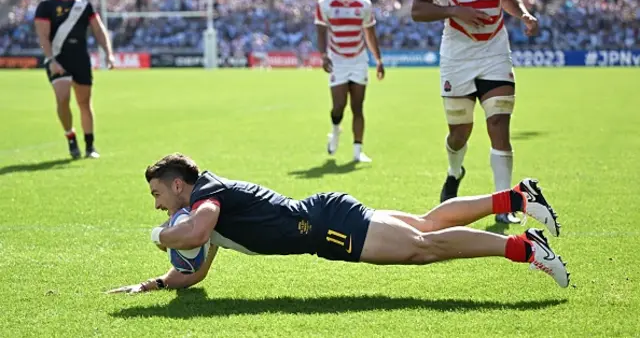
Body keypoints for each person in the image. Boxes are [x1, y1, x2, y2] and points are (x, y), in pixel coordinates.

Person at [107, 153, 568, 294]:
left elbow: (193, 235)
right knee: (426, 227)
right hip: (326, 215)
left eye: (157, 194)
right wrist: (153, 285)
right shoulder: (204, 200)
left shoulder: (203, 202)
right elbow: (196, 269)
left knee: (422, 248)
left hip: (325, 227)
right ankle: (517, 197)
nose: (156, 206)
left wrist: (158, 236)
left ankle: (527, 248)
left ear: (178, 186)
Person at [410, 0, 540, 224]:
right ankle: (455, 171)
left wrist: (523, 14)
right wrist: (455, 10)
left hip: (494, 52)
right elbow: (417, 10)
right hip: (457, 57)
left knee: (498, 124)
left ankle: (503, 204)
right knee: (460, 132)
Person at [34, 0, 115, 159]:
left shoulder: (83, 3)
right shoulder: (46, 5)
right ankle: (70, 137)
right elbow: (43, 36)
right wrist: (51, 59)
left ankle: (89, 146)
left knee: (84, 103)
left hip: (80, 58)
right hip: (58, 59)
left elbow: (98, 29)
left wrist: (109, 52)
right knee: (62, 100)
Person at [315, 0, 385, 163]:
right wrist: (323, 55)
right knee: (338, 106)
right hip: (337, 60)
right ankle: (335, 131)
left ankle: (357, 151)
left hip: (359, 60)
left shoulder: (363, 4)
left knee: (358, 107)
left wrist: (378, 60)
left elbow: (370, 34)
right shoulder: (325, 4)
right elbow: (320, 30)